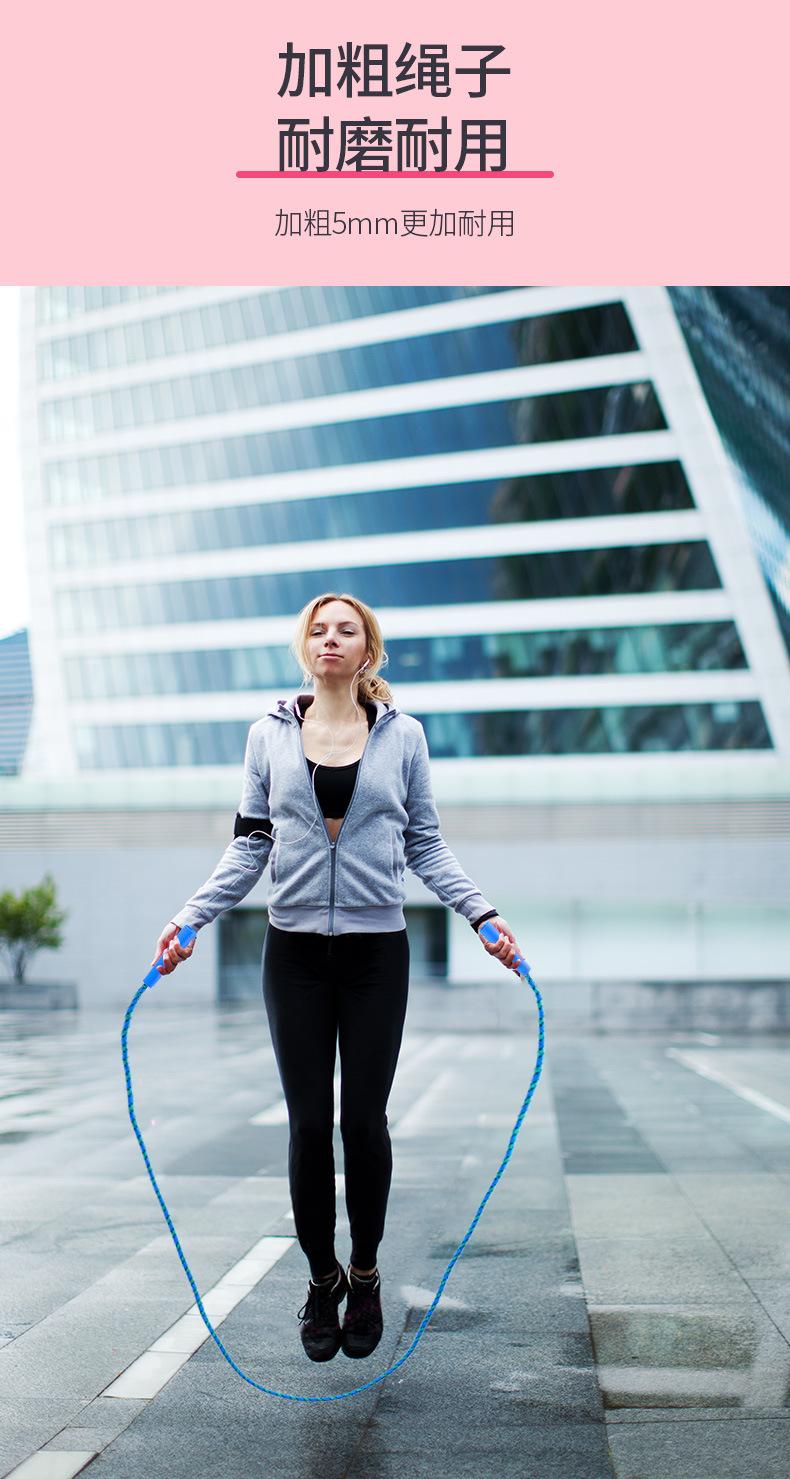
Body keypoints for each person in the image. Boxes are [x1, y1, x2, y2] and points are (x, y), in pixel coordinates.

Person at [152, 592, 524, 1364]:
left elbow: (425, 843)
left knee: (364, 1121)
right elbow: (250, 843)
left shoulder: (404, 736)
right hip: (292, 955)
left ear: (367, 651)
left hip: (375, 955)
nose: (330, 639)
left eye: (345, 630)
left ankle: (367, 1273)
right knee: (307, 1124)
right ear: (305, 647)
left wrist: (481, 914)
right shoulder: (267, 735)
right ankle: (322, 1278)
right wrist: (191, 918)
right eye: (318, 630)